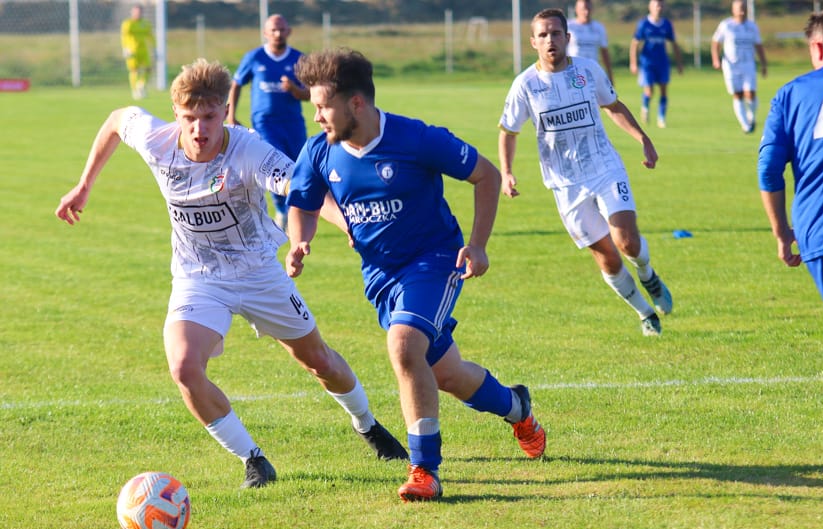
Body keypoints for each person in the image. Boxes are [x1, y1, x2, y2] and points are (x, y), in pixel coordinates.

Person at [55, 58, 407, 490]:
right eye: (189, 118)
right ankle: (253, 460)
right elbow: (116, 119)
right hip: (198, 277)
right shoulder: (157, 141)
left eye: (209, 117)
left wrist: (348, 225)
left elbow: (301, 187)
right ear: (177, 115)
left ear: (224, 110)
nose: (199, 129)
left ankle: (367, 424)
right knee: (184, 367)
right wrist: (84, 184)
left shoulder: (249, 151)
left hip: (259, 272)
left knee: (318, 361)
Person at [287, 48, 547, 503]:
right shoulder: (319, 151)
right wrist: (299, 240)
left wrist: (478, 244)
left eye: (323, 107)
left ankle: (424, 470)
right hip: (381, 277)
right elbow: (302, 203)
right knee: (445, 374)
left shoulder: (416, 139)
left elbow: (485, 176)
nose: (317, 117)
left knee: (404, 346)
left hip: (434, 260)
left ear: (356, 104)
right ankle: (517, 407)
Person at [499, 8, 672, 337]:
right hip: (565, 183)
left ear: (567, 37)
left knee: (626, 240)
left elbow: (613, 106)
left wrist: (643, 138)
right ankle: (645, 312)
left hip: (605, 167)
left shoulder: (588, 70)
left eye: (556, 33)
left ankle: (648, 273)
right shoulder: (525, 85)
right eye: (544, 34)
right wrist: (507, 172)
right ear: (533, 42)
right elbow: (508, 131)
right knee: (607, 257)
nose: (551, 39)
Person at [759, 7, 823, 485]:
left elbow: (768, 171)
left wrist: (782, 233)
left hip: (817, 236)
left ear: (818, 48)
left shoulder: (789, 92)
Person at [227, 14, 310, 232]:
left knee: (298, 168)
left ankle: (297, 211)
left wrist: (295, 90)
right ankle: (282, 211)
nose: (277, 33)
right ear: (265, 33)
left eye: (281, 29)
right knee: (274, 166)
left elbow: (311, 93)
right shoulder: (254, 58)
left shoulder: (299, 59)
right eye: (273, 30)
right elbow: (236, 84)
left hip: (293, 124)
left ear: (288, 31)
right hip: (265, 124)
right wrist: (230, 114)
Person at [711, 0, 768, 133]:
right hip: (731, 65)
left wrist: (764, 63)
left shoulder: (752, 26)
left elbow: (758, 46)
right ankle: (745, 125)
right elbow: (715, 43)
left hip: (748, 64)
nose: (742, 11)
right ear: (733, 10)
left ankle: (751, 117)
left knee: (750, 93)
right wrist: (715, 59)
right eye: (739, 8)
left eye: (743, 8)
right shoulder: (726, 25)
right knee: (737, 94)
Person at [629, 0, 683, 128]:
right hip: (647, 63)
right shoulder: (644, 24)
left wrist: (679, 63)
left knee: (664, 91)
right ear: (650, 7)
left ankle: (661, 118)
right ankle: (645, 108)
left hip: (662, 62)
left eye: (661, 5)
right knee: (649, 91)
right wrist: (633, 63)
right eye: (656, 5)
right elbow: (635, 44)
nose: (659, 8)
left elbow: (674, 44)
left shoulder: (667, 24)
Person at [567, 0, 615, 85]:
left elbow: (604, 52)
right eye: (583, 9)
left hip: (592, 71)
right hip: (573, 71)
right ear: (576, 9)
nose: (586, 12)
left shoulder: (599, 27)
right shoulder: (569, 26)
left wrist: (609, 74)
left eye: (589, 9)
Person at [120, 4, 154, 100]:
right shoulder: (128, 23)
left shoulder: (145, 23)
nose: (138, 14)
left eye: (139, 12)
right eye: (136, 12)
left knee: (148, 69)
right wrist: (125, 48)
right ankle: (135, 91)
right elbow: (124, 37)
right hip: (132, 51)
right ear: (132, 12)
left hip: (143, 50)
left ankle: (141, 85)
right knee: (134, 70)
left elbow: (150, 36)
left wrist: (154, 47)